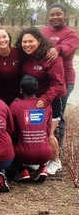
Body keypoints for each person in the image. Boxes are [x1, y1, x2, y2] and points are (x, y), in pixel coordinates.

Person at [15, 27, 66, 175]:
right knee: (35, 131)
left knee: (47, 132)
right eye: (24, 42)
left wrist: (45, 99)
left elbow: (58, 84)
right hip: (33, 100)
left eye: (31, 41)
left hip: (52, 100)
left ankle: (56, 161)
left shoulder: (51, 57)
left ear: (39, 41)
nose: (27, 44)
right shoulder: (26, 56)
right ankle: (39, 162)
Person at [41, 2, 79, 156]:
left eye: (58, 14)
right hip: (45, 79)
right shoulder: (44, 31)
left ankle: (59, 149)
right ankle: (45, 144)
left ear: (65, 15)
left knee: (58, 115)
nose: (55, 17)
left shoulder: (70, 34)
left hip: (64, 81)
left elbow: (68, 47)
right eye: (52, 14)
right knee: (47, 113)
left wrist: (57, 49)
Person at [10, 75, 53, 182]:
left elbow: (12, 131)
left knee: (9, 144)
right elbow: (48, 129)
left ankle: (22, 170)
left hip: (23, 154)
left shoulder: (15, 106)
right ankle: (43, 168)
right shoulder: (46, 105)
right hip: (46, 153)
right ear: (37, 88)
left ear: (21, 90)